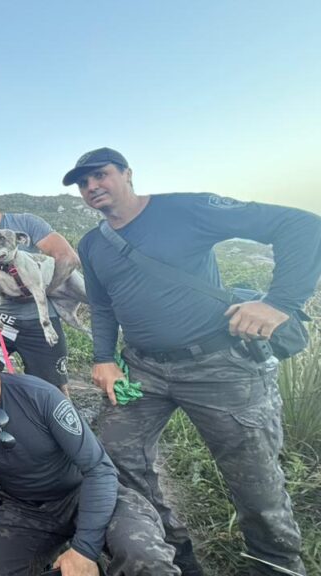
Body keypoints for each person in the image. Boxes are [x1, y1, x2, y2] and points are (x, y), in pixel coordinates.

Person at [65, 147, 321, 576]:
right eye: (83, 183)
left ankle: (275, 566)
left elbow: (301, 225)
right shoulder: (92, 244)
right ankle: (173, 555)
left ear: (127, 173)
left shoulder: (185, 209)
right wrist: (104, 358)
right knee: (116, 456)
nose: (92, 187)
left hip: (219, 366)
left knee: (254, 480)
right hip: (143, 370)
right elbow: (103, 306)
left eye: (100, 175)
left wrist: (280, 303)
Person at [0, 327, 180, 576]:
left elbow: (99, 468)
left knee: (145, 558)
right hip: (24, 508)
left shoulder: (41, 395)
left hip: (83, 493)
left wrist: (84, 550)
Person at [0, 175, 78, 391]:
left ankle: (58, 413)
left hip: (38, 319)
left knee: (55, 391)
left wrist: (39, 291)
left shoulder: (26, 223)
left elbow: (67, 258)